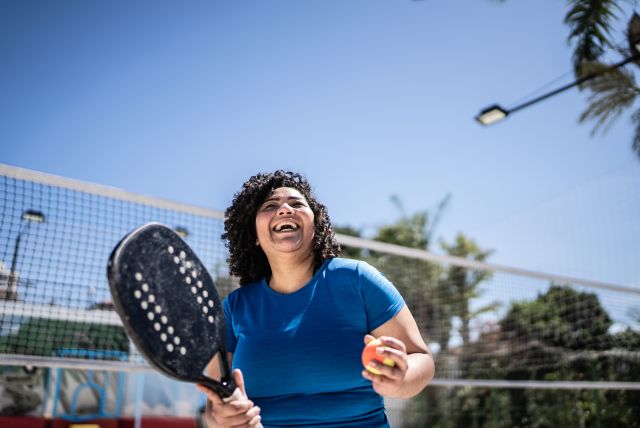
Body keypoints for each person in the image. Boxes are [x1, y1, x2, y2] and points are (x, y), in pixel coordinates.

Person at [197, 170, 434, 428]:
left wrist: (402, 378)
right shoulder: (234, 308)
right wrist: (221, 417)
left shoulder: (357, 280)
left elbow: (421, 358)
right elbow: (214, 406)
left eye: (297, 203)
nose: (285, 209)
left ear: (315, 225)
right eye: (270, 205)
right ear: (253, 234)